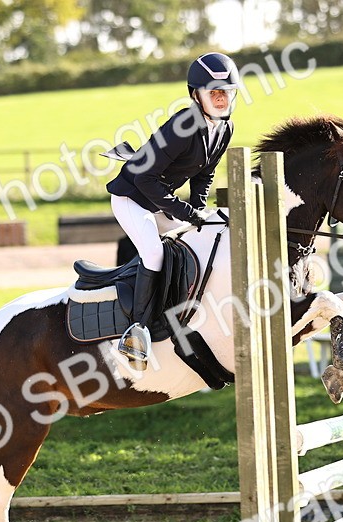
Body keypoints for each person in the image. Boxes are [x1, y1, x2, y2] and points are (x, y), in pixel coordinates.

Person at [106, 52, 239, 368]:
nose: (221, 99)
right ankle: (135, 332)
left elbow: (204, 173)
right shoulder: (183, 124)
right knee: (153, 254)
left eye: (226, 92)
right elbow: (143, 177)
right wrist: (184, 212)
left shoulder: (225, 128)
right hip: (132, 198)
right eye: (214, 93)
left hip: (159, 202)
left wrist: (198, 207)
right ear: (197, 95)